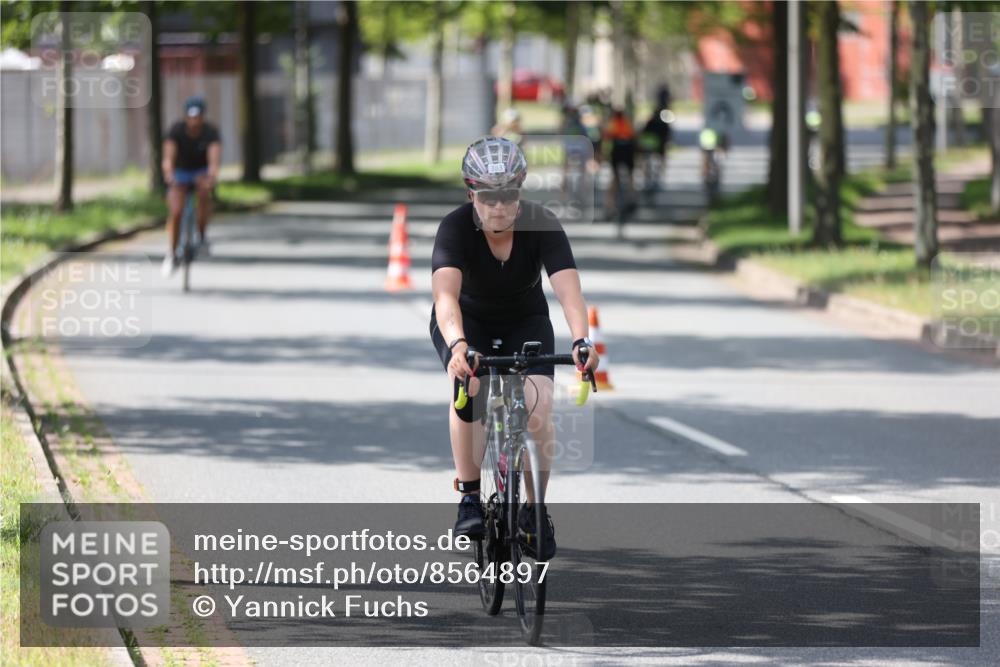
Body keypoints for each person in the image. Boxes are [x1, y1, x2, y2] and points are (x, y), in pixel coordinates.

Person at [429, 136, 599, 559]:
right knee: (469, 390)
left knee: (538, 407)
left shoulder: (542, 223)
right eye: (488, 197)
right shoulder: (454, 228)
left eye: (508, 195)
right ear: (471, 194)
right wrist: (458, 345)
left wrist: (581, 340)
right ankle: (469, 496)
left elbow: (569, 292)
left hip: (525, 319)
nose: (499, 206)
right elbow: (445, 297)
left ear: (520, 193)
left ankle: (533, 510)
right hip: (466, 323)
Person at [161, 95, 222, 277]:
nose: (194, 121)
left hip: (200, 172)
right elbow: (168, 158)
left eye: (198, 116)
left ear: (203, 116)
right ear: (186, 116)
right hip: (181, 172)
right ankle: (172, 253)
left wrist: (211, 177)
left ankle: (202, 237)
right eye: (191, 116)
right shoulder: (176, 130)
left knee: (204, 194)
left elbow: (214, 160)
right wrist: (169, 175)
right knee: (176, 210)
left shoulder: (210, 132)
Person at [602, 108, 637, 228]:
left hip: (617, 151)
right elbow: (633, 137)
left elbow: (607, 138)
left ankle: (609, 205)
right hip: (628, 151)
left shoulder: (612, 124)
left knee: (614, 178)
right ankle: (631, 197)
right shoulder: (627, 123)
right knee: (630, 175)